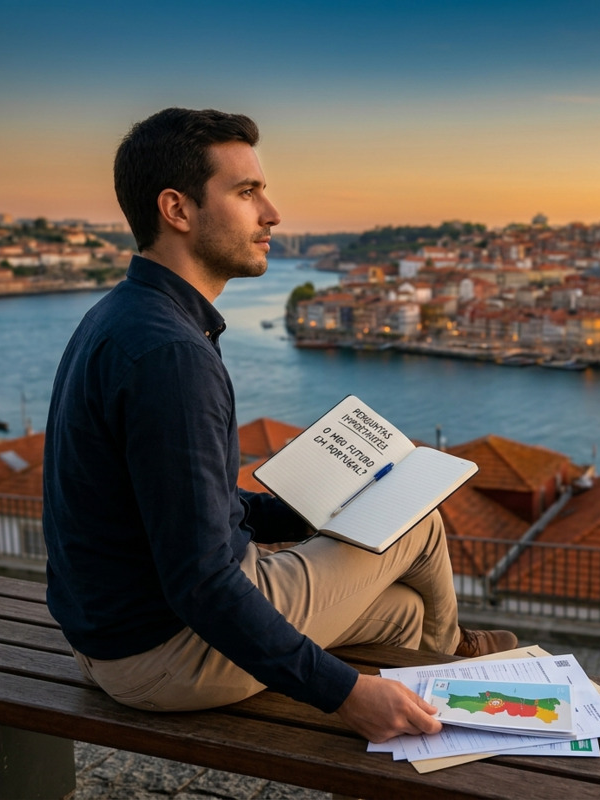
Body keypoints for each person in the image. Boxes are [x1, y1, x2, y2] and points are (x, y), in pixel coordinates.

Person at [42, 107, 516, 743]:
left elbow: (181, 511)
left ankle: (434, 678)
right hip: (163, 654)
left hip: (108, 638)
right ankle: (452, 677)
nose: (272, 214)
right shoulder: (173, 354)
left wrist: (314, 514)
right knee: (418, 522)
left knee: (403, 611)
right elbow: (201, 582)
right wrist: (345, 696)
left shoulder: (121, 316)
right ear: (177, 210)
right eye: (247, 192)